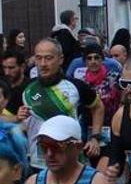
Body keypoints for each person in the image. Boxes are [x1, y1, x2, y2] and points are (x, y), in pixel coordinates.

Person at [22, 38, 104, 169]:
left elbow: (98, 107)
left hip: (71, 161)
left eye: (48, 58)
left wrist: (95, 137)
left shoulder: (76, 86)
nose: (43, 63)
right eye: (38, 58)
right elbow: (7, 119)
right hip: (39, 163)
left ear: (60, 59)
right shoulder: (26, 89)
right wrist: (18, 118)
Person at [1, 49, 31, 115]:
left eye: (11, 68)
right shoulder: (1, 85)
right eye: (4, 67)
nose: (7, 72)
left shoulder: (30, 88)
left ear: (23, 67)